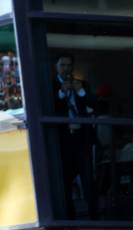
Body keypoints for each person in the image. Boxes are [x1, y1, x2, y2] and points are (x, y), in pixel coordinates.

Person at [51, 53, 96, 217]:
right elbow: (49, 106)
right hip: (64, 140)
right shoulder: (51, 85)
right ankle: (70, 216)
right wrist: (62, 93)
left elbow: (94, 104)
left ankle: (94, 216)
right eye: (62, 65)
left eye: (69, 65)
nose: (66, 68)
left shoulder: (82, 84)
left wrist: (81, 91)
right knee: (65, 181)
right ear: (56, 67)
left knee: (88, 178)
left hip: (81, 137)